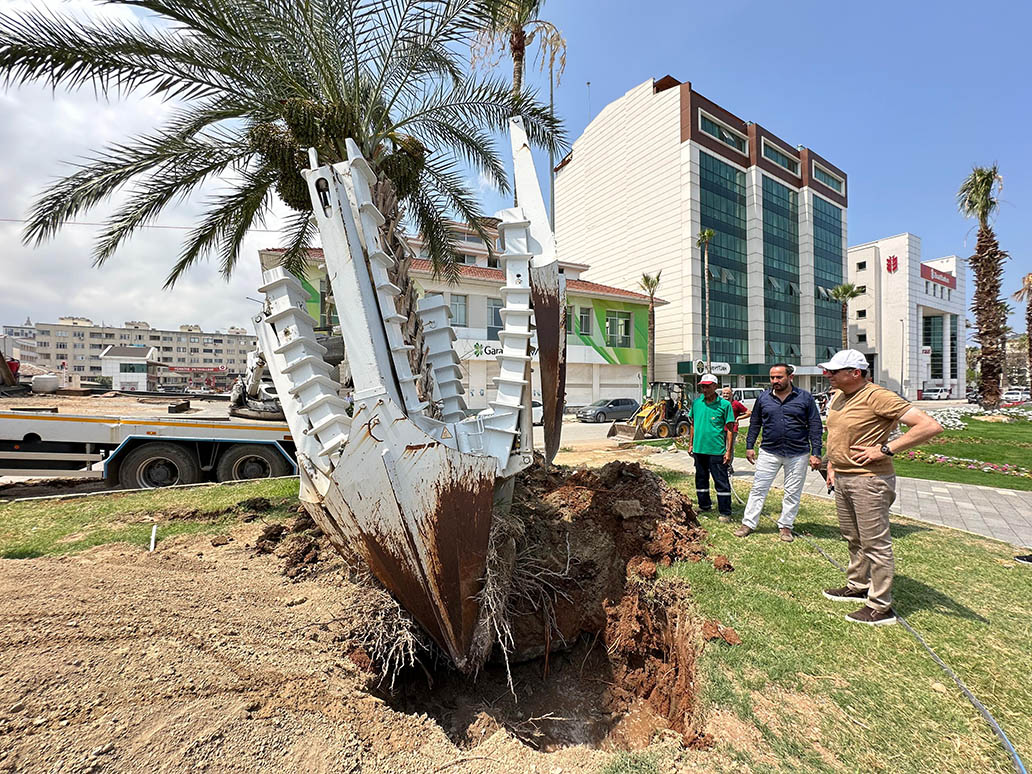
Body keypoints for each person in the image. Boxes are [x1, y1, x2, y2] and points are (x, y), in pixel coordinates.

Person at [821, 349, 943, 626]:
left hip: (869, 480)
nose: (828, 375)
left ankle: (880, 607)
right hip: (842, 476)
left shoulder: (878, 396)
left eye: (834, 371)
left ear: (855, 373)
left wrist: (886, 449)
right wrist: (831, 466)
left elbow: (929, 426)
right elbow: (837, 435)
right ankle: (858, 585)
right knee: (853, 537)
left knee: (875, 543)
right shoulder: (840, 396)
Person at [734, 364, 823, 542]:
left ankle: (786, 526)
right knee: (759, 488)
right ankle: (748, 523)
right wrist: (750, 446)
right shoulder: (763, 398)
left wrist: (816, 452)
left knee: (792, 491)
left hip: (798, 453)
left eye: (779, 377)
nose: (775, 381)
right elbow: (755, 422)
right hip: (769, 451)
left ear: (790, 377)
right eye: (772, 377)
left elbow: (815, 425)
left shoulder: (804, 398)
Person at [687, 374, 735, 522]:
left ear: (715, 386)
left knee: (720, 481)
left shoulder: (725, 405)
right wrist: (690, 444)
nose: (704, 389)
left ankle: (725, 512)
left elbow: (730, 429)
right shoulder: (696, 403)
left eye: (708, 386)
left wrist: (729, 451)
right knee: (701, 479)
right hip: (699, 450)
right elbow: (693, 424)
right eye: (702, 386)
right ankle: (704, 505)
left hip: (717, 450)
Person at [721, 386, 751, 473]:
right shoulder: (720, 403)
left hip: (732, 429)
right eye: (724, 393)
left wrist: (738, 418)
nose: (726, 395)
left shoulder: (736, 404)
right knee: (720, 448)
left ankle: (728, 466)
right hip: (721, 429)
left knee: (729, 448)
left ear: (732, 394)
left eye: (727, 393)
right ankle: (722, 465)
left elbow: (748, 413)